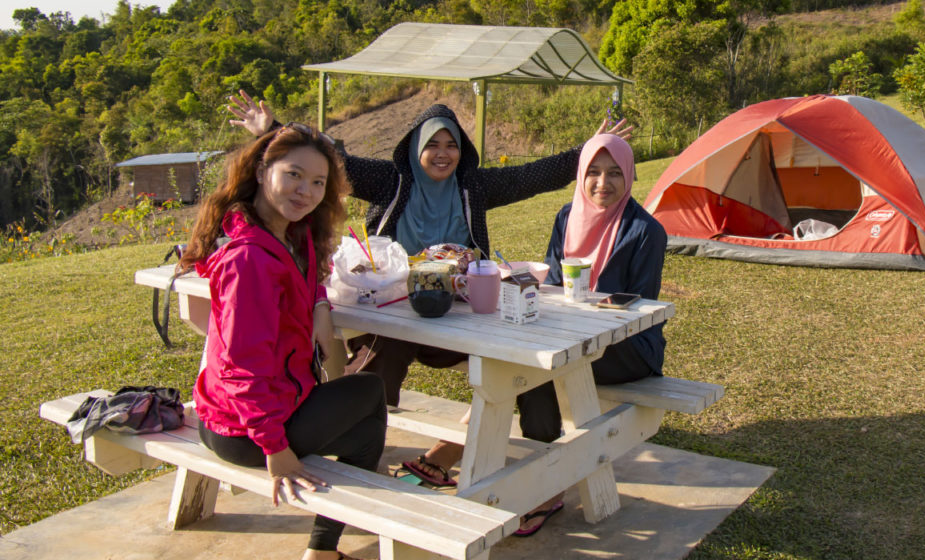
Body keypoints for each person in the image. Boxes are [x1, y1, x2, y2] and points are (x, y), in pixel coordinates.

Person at [227, 91, 633, 489]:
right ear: (415, 149)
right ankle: (355, 454)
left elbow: (534, 175)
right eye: (432, 145)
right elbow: (331, 164)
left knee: (512, 360)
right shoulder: (391, 181)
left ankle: (531, 463)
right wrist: (272, 130)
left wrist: (588, 151)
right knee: (375, 369)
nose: (442, 154)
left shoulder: (472, 186)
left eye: (451, 145)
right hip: (393, 315)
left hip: (461, 317)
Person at [181, 122, 389, 560]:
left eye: (318, 182)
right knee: (370, 398)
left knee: (364, 409)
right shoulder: (249, 258)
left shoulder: (287, 234)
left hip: (239, 414)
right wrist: (275, 449)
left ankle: (329, 541)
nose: (306, 191)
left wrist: (318, 302)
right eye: (294, 175)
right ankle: (322, 553)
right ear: (261, 169)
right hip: (244, 431)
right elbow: (241, 367)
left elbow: (306, 278)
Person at [501, 133, 668, 535]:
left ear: (629, 176)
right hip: (571, 335)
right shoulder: (566, 216)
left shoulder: (646, 231)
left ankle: (545, 483)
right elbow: (554, 282)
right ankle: (545, 468)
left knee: (548, 361)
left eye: (614, 173)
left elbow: (642, 307)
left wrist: (589, 312)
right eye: (592, 172)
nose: (602, 183)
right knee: (532, 361)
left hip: (629, 346)